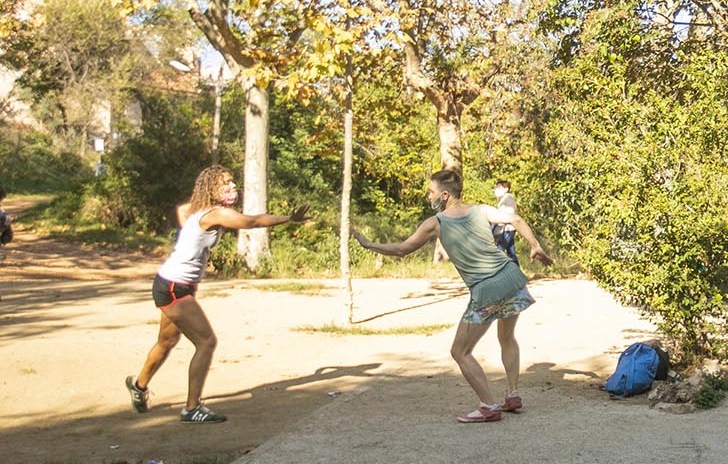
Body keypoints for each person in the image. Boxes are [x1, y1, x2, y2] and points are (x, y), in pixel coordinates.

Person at [354, 169, 553, 422]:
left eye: (431, 192)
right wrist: (535, 246)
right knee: (506, 337)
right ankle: (512, 394)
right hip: (511, 278)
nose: (429, 197)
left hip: (487, 290)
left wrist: (369, 244)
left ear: (445, 195)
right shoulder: (481, 210)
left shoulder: (435, 223)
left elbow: (402, 249)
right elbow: (515, 219)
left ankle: (488, 407)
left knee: (460, 351)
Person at [126, 165, 308, 422]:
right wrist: (289, 219)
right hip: (174, 286)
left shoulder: (197, 210)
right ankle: (192, 408)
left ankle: (138, 385)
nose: (232, 187)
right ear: (211, 188)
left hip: (173, 283)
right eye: (225, 183)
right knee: (206, 342)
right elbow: (252, 222)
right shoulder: (216, 213)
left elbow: (182, 210)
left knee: (167, 341)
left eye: (232, 182)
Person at [491, 179, 520, 264]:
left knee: (498, 250)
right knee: (511, 253)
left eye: (499, 187)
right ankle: (516, 270)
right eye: (496, 188)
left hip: (507, 229)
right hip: (508, 229)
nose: (496, 190)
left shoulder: (508, 197)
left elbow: (509, 214)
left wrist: (499, 222)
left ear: (506, 189)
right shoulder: (503, 199)